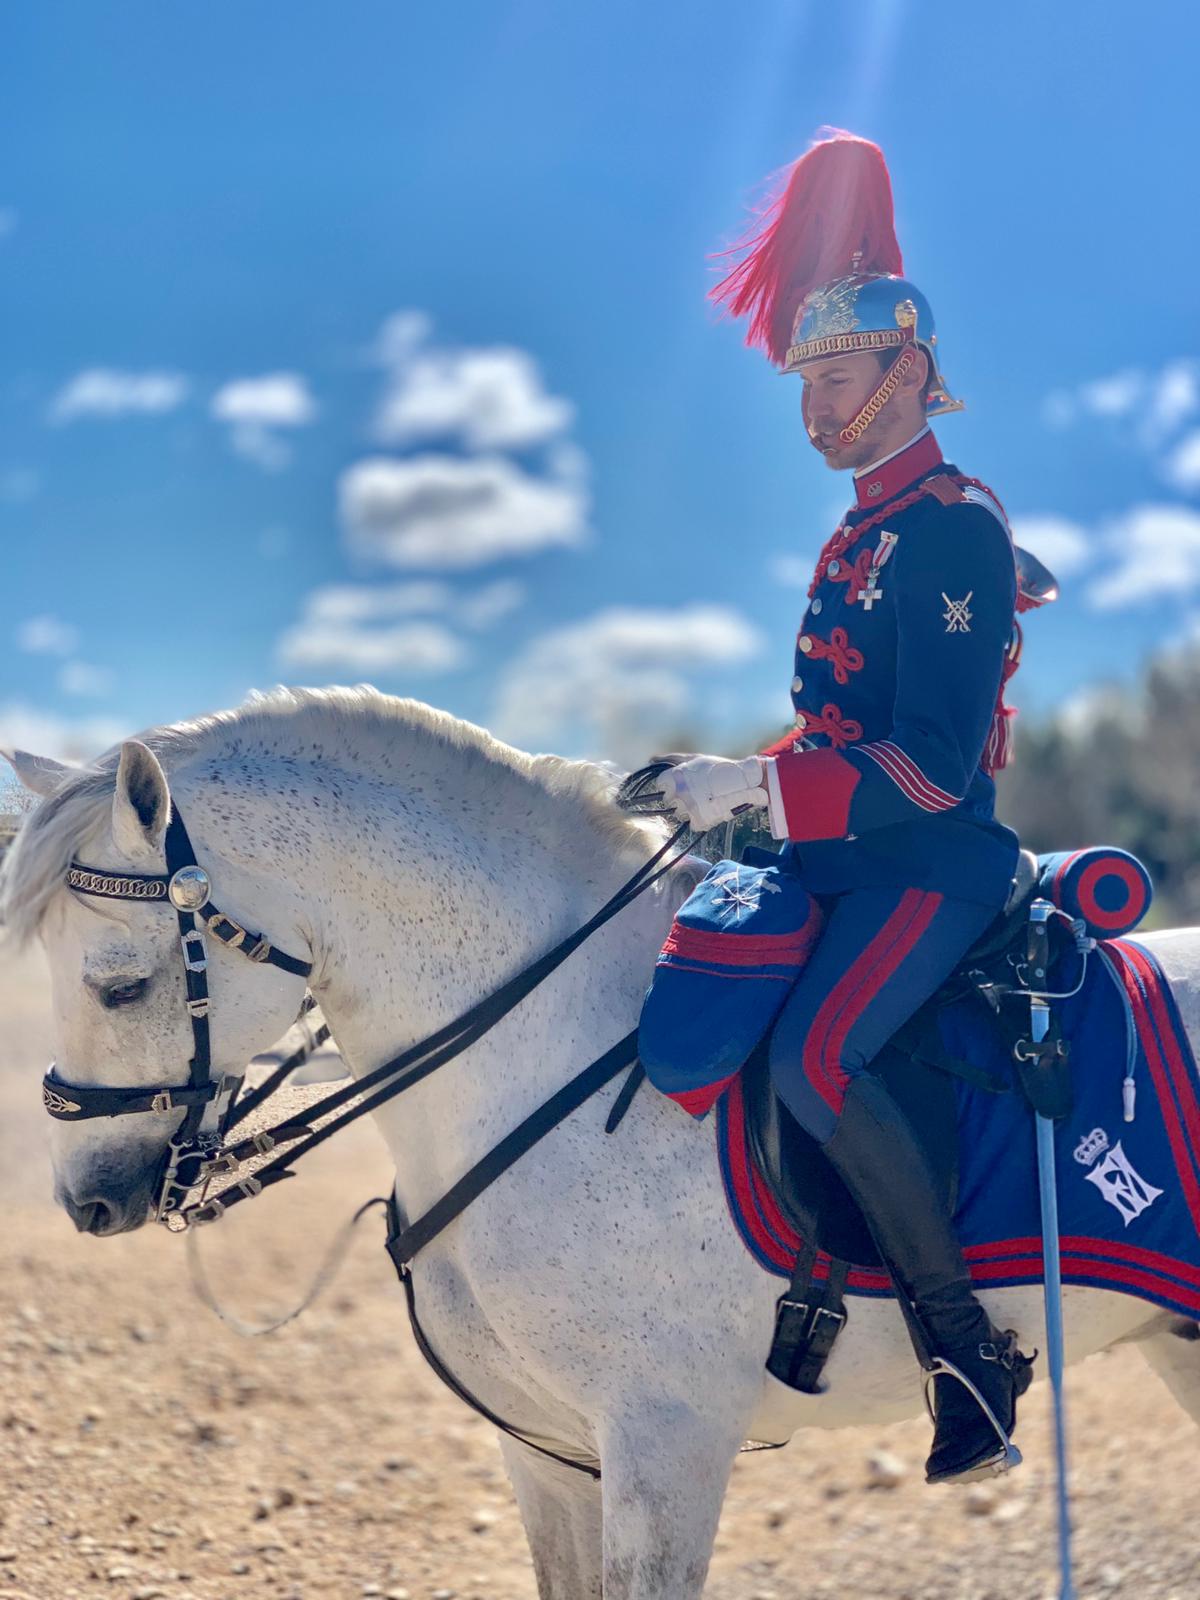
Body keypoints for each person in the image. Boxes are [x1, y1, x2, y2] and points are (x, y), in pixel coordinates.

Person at [659, 131, 1035, 1485]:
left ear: (911, 373)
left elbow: (932, 760)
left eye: (837, 378)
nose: (815, 409)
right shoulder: (862, 531)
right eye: (803, 383)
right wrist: (721, 786)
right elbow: (831, 730)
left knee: (820, 1060)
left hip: (934, 860)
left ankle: (964, 1351)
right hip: (843, 854)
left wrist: (765, 787)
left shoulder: (951, 528)